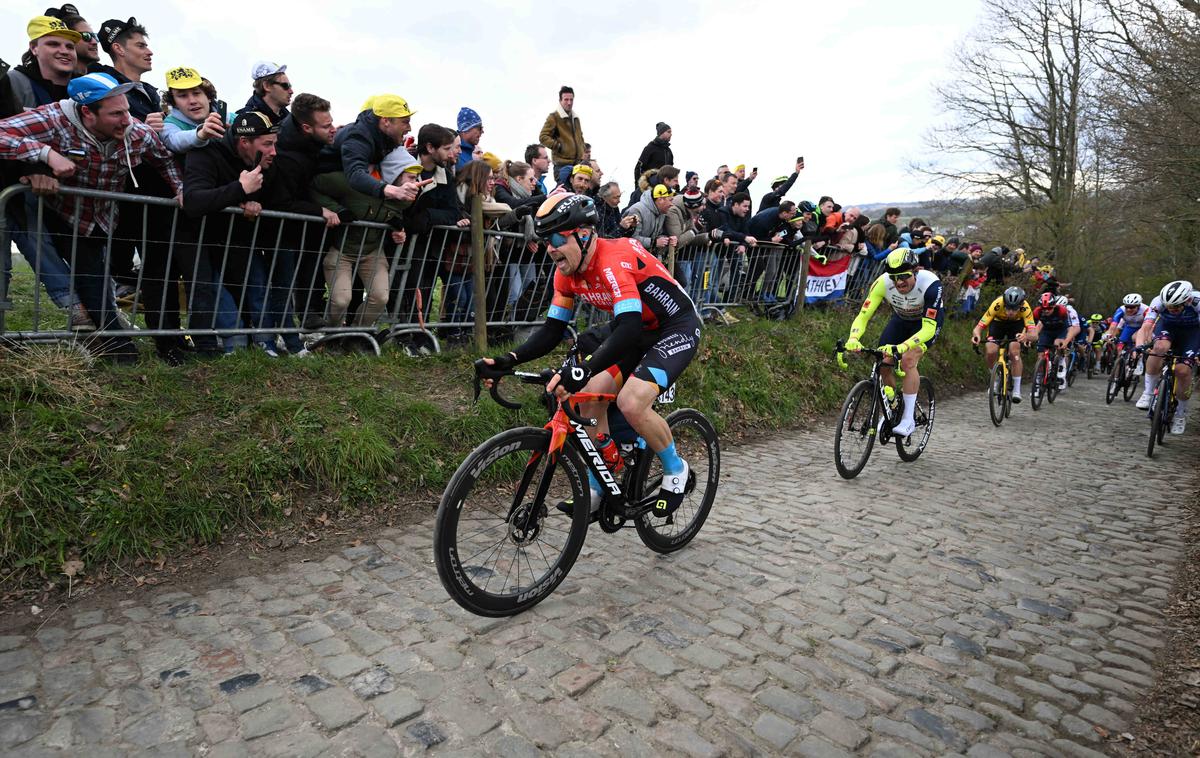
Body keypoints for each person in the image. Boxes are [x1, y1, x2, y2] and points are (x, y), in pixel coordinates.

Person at [483, 193, 701, 518]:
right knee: (586, 399)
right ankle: (602, 480)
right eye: (545, 241)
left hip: (675, 328)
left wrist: (582, 369)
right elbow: (552, 330)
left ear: (584, 234)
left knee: (630, 402)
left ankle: (675, 469)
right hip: (637, 331)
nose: (550, 248)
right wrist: (508, 359)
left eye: (557, 238)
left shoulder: (614, 258)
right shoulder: (566, 274)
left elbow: (626, 327)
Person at [0, 71, 184, 362]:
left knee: (96, 279)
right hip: (55, 211)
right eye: (116, 114)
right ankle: (115, 345)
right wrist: (45, 154)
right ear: (87, 112)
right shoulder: (52, 120)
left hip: (100, 217)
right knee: (78, 270)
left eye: (126, 110)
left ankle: (110, 340)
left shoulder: (137, 133)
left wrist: (181, 188)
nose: (126, 119)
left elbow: (163, 159)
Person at [182, 111, 281, 355]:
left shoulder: (264, 162)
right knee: (212, 290)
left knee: (256, 284)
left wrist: (255, 204)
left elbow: (271, 197)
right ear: (244, 142)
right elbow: (193, 200)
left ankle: (263, 343)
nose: (273, 152)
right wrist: (239, 189)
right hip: (198, 238)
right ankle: (231, 346)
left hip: (237, 238)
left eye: (274, 144)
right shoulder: (205, 153)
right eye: (267, 144)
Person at [843, 249, 945, 437]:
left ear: (916, 271)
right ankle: (893, 407)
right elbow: (863, 316)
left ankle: (908, 418)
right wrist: (853, 338)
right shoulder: (882, 283)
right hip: (900, 320)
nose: (899, 282)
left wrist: (903, 347)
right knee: (883, 361)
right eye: (894, 277)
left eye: (904, 276)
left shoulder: (931, 284)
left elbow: (928, 329)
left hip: (925, 325)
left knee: (907, 359)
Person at [1134, 280, 1199, 433]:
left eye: (1176, 307)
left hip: (1192, 333)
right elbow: (1146, 327)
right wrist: (1138, 346)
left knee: (1182, 371)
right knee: (1159, 348)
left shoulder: (1197, 302)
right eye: (1169, 306)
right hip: (1168, 328)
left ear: (1187, 300)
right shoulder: (1158, 302)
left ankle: (1181, 413)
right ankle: (1148, 393)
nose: (1171, 310)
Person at [971, 286, 1035, 402]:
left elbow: (1034, 334)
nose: (1010, 311)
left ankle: (1016, 389)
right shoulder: (997, 304)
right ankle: (995, 380)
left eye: (1014, 308)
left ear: (1020, 305)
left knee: (1014, 352)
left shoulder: (1026, 308)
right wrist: (977, 336)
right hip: (998, 324)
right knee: (991, 350)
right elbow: (979, 327)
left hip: (1017, 325)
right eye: (1008, 307)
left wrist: (1026, 336)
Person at [9, 15, 79, 108]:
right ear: (34, 48)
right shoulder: (11, 82)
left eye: (70, 47)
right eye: (53, 44)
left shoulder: (89, 87)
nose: (64, 51)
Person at [1030, 292, 1076, 392]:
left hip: (1061, 331)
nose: (1046, 311)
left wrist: (1066, 341)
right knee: (1040, 356)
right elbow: (1037, 326)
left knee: (1057, 343)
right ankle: (1038, 383)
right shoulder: (1037, 312)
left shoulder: (1062, 311)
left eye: (1049, 308)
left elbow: (1071, 329)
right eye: (1044, 309)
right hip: (1047, 332)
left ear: (1054, 306)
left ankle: (1061, 367)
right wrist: (1032, 337)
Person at [539, 85, 584, 175]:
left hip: (578, 164)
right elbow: (543, 137)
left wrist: (583, 150)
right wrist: (558, 146)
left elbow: (580, 137)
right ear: (560, 101)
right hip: (562, 166)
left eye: (571, 100)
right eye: (566, 99)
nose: (569, 102)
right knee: (564, 189)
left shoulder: (575, 118)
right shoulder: (554, 117)